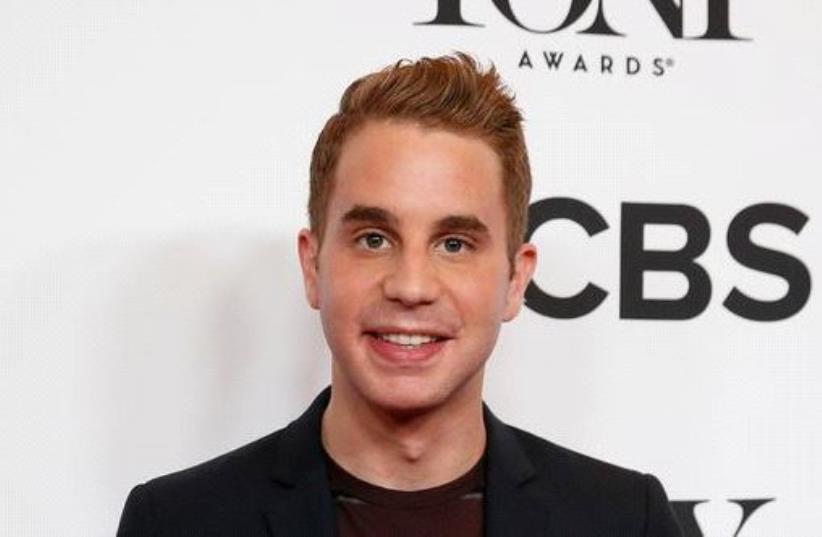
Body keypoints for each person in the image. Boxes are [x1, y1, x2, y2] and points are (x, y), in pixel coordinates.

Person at [117, 52, 683, 537]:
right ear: (313, 266)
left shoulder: (625, 521)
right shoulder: (177, 521)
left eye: (455, 244)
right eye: (373, 238)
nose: (411, 286)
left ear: (515, 280)